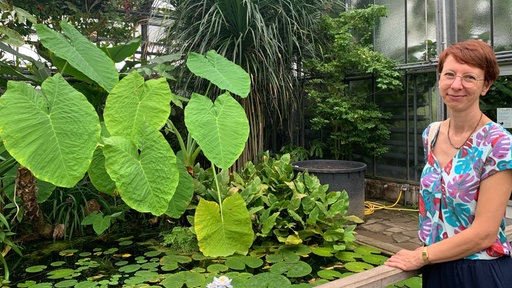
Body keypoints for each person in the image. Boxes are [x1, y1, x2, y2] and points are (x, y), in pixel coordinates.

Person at [385, 39, 512, 287]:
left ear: (485, 85)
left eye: (469, 77)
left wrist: (420, 256)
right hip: (436, 265)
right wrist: (428, 255)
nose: (456, 85)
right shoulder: (431, 135)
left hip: (479, 271)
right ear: (440, 79)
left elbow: (485, 233)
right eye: (449, 74)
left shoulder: (499, 143)